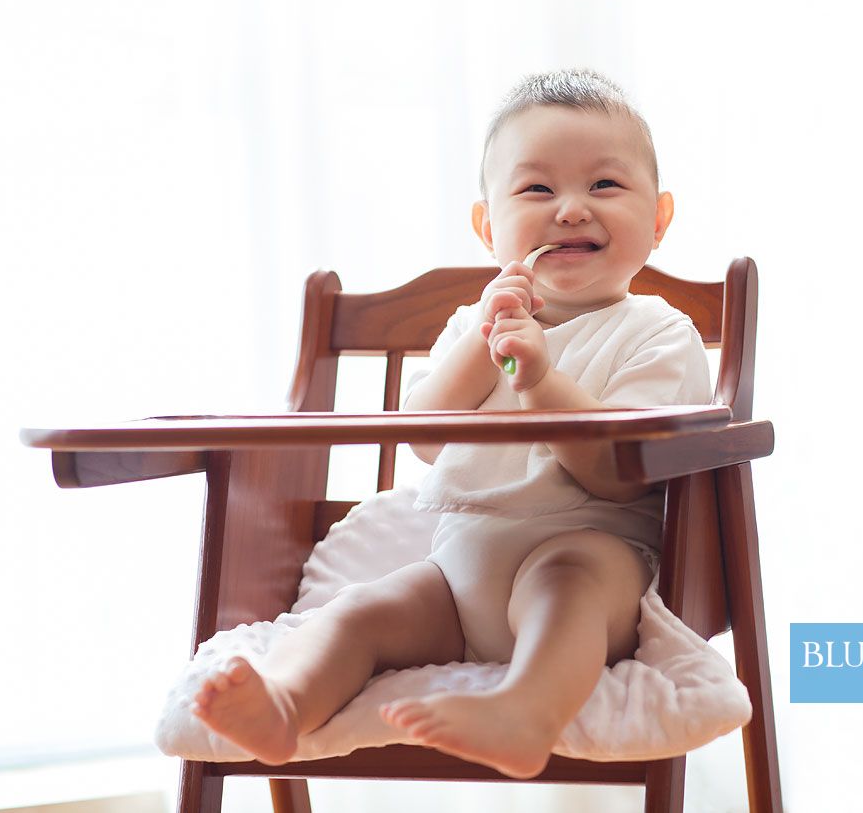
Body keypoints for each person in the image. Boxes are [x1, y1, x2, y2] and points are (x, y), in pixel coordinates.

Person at [189, 69, 711, 779]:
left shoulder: (656, 331)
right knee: (362, 610)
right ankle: (284, 704)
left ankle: (525, 709)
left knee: (568, 578)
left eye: (604, 186)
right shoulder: (473, 326)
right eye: (535, 189)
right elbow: (426, 434)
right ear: (488, 226)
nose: (569, 210)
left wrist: (539, 380)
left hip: (595, 563)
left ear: (658, 219)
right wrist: (482, 341)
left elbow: (615, 473)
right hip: (460, 570)